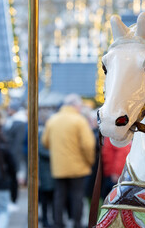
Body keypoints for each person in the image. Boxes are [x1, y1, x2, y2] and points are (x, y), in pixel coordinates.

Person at [42, 94, 95, 228]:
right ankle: (77, 223)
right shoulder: (79, 120)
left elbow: (45, 142)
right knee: (77, 196)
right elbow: (88, 145)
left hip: (59, 166)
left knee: (59, 195)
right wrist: (90, 161)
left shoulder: (52, 120)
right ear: (75, 105)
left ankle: (58, 222)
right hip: (78, 166)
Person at [3, 101, 27, 185]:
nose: (8, 111)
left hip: (15, 151)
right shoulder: (12, 120)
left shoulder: (19, 122)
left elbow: (18, 140)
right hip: (12, 150)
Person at [38, 110, 54, 228]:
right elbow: (42, 150)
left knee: (53, 197)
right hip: (45, 170)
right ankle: (45, 220)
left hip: (52, 170)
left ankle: (51, 219)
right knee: (45, 197)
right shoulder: (41, 132)